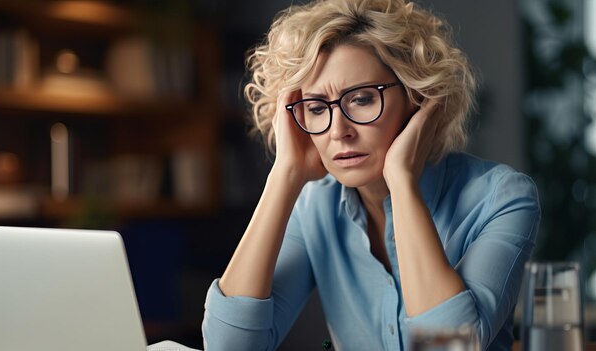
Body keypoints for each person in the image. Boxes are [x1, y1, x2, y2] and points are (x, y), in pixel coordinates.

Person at [202, 0, 540, 350]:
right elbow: (229, 346)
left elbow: (448, 347)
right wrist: (284, 175)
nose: (338, 130)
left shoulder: (501, 198)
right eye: (317, 108)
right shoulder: (314, 206)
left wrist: (402, 182)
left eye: (362, 99)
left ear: (418, 97)